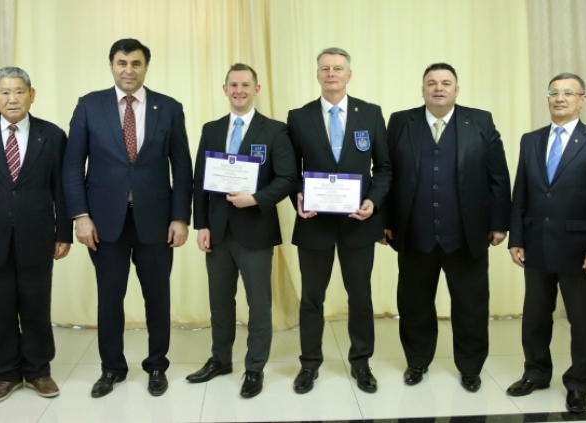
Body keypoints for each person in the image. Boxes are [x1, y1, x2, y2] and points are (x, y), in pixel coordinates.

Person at [62, 38, 193, 398]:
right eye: (122, 63)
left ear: (145, 67)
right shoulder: (89, 106)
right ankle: (112, 368)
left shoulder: (168, 108)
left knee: (158, 297)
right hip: (104, 223)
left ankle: (156, 366)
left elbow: (182, 166)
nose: (128, 70)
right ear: (111, 66)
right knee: (109, 298)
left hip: (156, 219)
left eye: (136, 63)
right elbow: (73, 165)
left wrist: (181, 217)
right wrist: (80, 216)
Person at [384, 62, 511, 393]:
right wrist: (385, 222)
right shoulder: (401, 122)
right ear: (422, 89)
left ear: (457, 89)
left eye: (445, 83)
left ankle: (470, 367)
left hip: (466, 236)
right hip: (414, 235)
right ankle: (417, 361)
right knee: (414, 306)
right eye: (431, 83)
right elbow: (386, 173)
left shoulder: (480, 121)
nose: (438, 88)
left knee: (470, 307)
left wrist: (499, 222)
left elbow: (498, 174)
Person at [0, 66, 72, 404]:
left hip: (38, 236)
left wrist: (62, 231)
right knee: (1, 308)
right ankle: (5, 374)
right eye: (4, 92)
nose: (12, 98)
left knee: (36, 306)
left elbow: (61, 189)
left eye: (19, 91)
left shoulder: (51, 135)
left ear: (31, 95)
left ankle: (38, 371)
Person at [506, 73, 586, 413]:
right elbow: (521, 195)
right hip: (537, 247)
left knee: (582, 322)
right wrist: (517, 238)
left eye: (568, 93)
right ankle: (536, 373)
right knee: (535, 318)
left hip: (581, 251)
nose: (560, 98)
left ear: (582, 100)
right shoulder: (531, 140)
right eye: (554, 92)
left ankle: (578, 384)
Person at [187, 63, 296, 398]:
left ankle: (254, 368)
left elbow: (288, 178)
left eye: (245, 85)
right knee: (220, 303)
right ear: (225, 89)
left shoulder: (275, 131)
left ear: (256, 89)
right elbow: (199, 180)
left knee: (258, 304)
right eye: (233, 85)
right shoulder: (211, 129)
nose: (239, 90)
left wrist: (257, 199)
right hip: (217, 231)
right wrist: (201, 224)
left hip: (255, 231)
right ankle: (220, 359)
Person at [288, 47, 391, 394]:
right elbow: (291, 172)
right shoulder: (299, 117)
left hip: (357, 224)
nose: (331, 73)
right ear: (317, 75)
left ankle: (361, 363)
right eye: (325, 68)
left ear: (349, 75)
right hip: (314, 222)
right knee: (311, 299)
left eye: (338, 68)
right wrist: (297, 197)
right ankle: (309, 364)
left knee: (360, 297)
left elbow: (385, 169)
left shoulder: (371, 114)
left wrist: (373, 203)